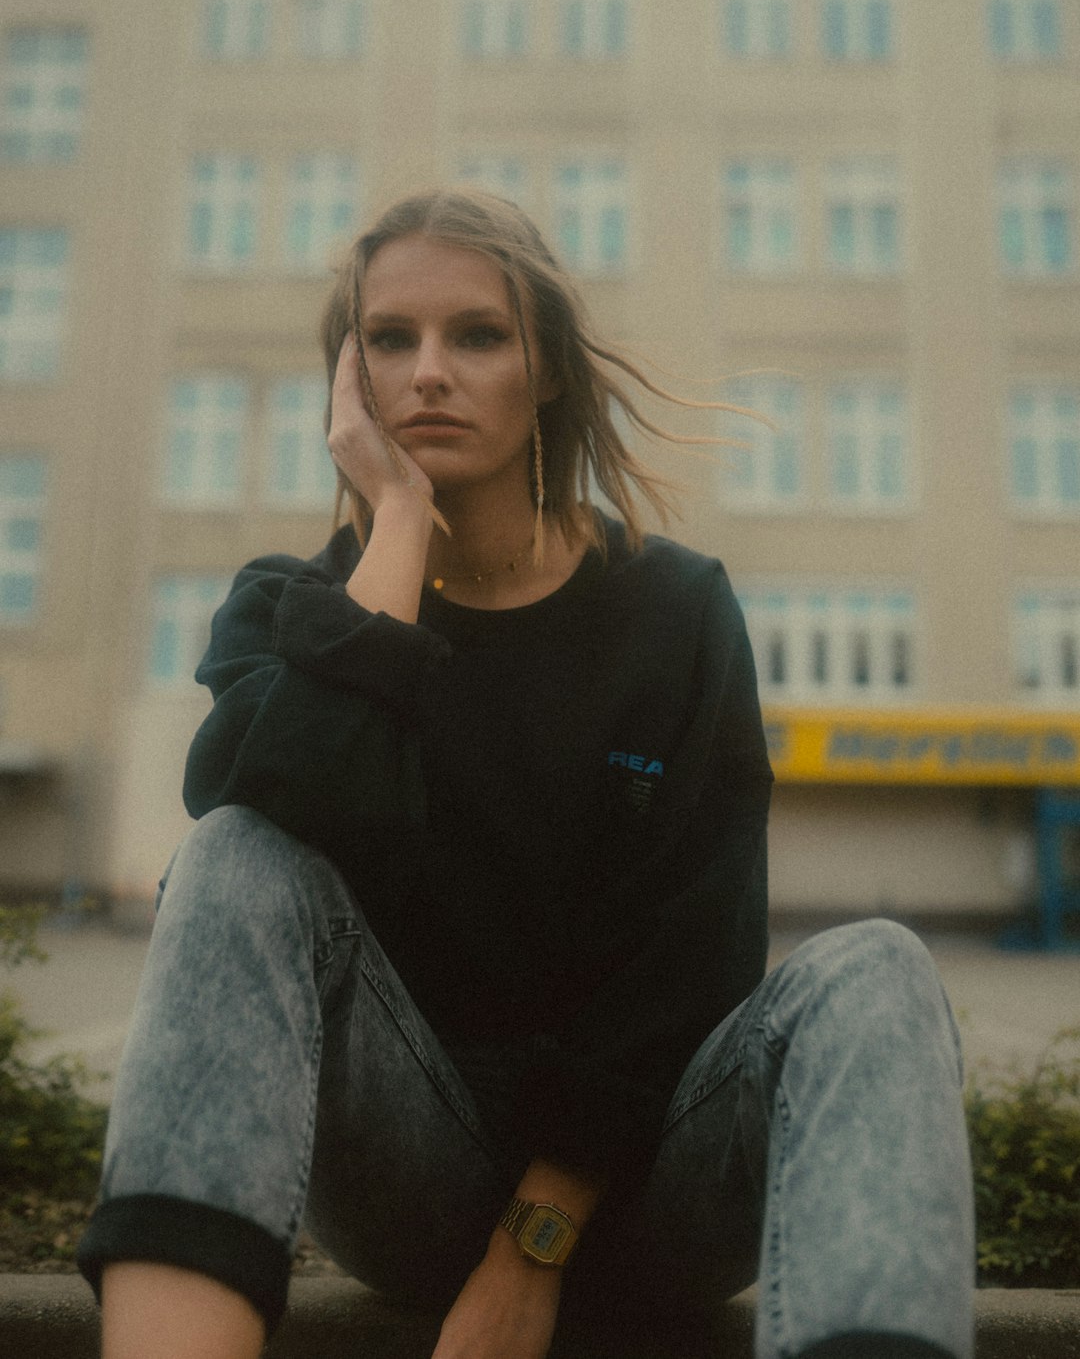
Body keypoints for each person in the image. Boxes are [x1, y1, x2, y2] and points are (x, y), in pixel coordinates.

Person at [78, 189, 975, 1359]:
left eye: (478, 335)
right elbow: (289, 824)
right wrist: (396, 520)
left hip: (659, 1185)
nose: (431, 372)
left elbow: (692, 961)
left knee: (879, 969)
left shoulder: (674, 608)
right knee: (237, 847)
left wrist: (531, 1252)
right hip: (409, 1176)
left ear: (544, 366)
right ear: (348, 384)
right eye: (391, 340)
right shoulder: (285, 609)